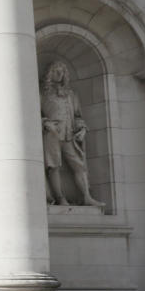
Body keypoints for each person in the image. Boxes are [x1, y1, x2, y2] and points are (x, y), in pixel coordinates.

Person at [40, 60, 102, 206]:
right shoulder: (43, 93)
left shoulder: (71, 94)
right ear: (50, 73)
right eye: (56, 71)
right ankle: (61, 198)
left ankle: (86, 196)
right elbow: (33, 113)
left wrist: (81, 129)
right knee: (54, 166)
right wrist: (46, 123)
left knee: (79, 166)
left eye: (62, 71)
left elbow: (78, 116)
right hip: (52, 134)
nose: (59, 74)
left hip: (69, 135)